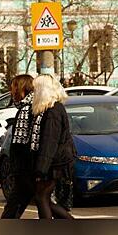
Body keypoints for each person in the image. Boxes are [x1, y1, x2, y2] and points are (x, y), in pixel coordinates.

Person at [31, 74, 76, 219]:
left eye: (35, 89)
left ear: (42, 91)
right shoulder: (51, 109)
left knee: (41, 197)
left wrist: (40, 169)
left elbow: (49, 142)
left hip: (55, 163)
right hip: (55, 162)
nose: (33, 92)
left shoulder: (52, 111)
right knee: (43, 198)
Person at [1, 74, 35, 219]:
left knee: (15, 205)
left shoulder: (26, 110)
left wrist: (16, 168)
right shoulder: (28, 107)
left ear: (21, 89)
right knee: (40, 202)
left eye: (14, 87)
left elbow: (20, 143)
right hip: (26, 168)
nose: (11, 91)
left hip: (24, 169)